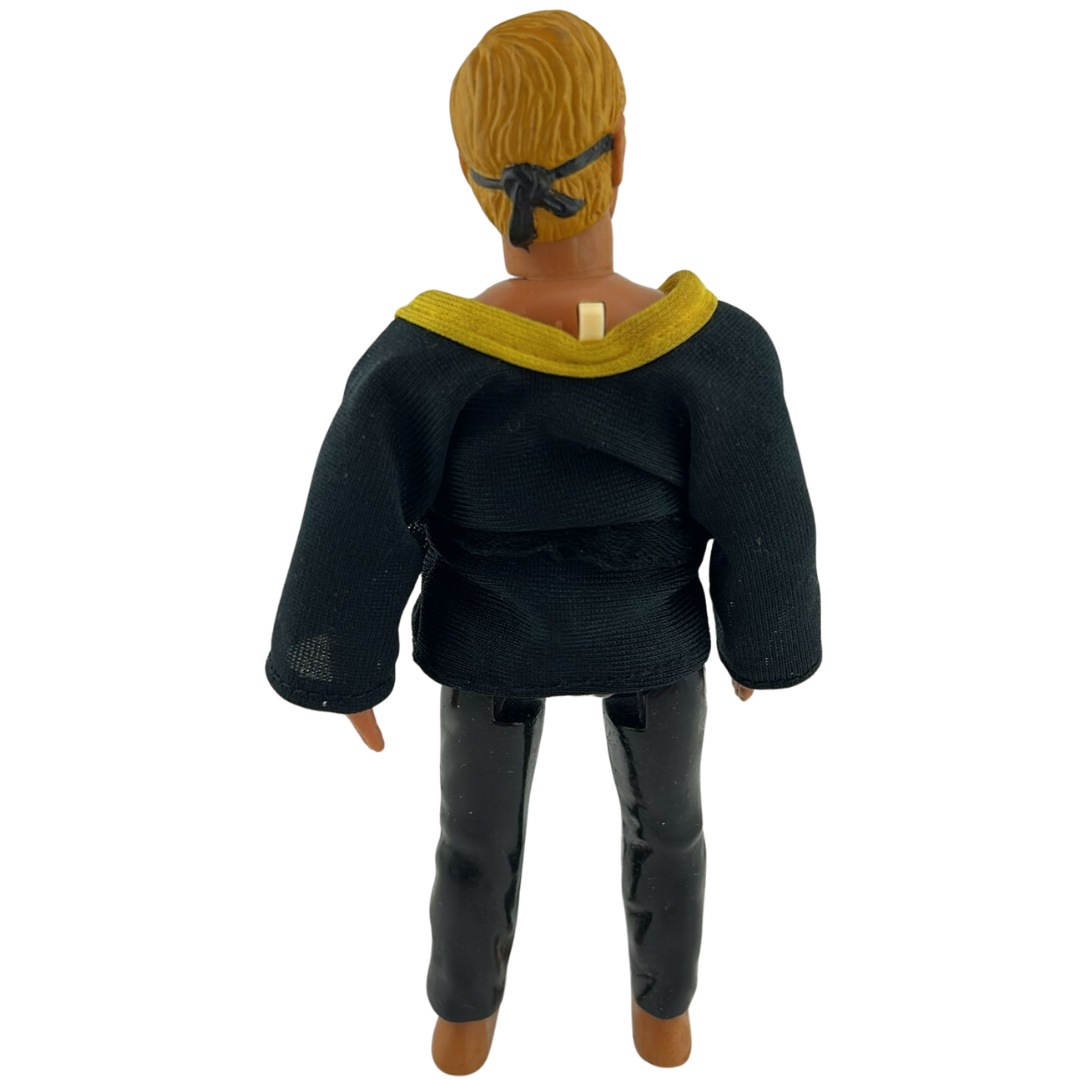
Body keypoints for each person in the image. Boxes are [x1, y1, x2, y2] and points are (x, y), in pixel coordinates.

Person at [265, 10, 821, 1075]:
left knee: (474, 841)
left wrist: (338, 662)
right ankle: (663, 1016)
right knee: (670, 830)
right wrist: (765, 641)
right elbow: (764, 513)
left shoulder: (423, 362)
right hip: (651, 640)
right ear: (623, 146)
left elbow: (359, 508)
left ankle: (462, 1020)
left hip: (489, 643)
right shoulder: (717, 353)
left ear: (471, 178)